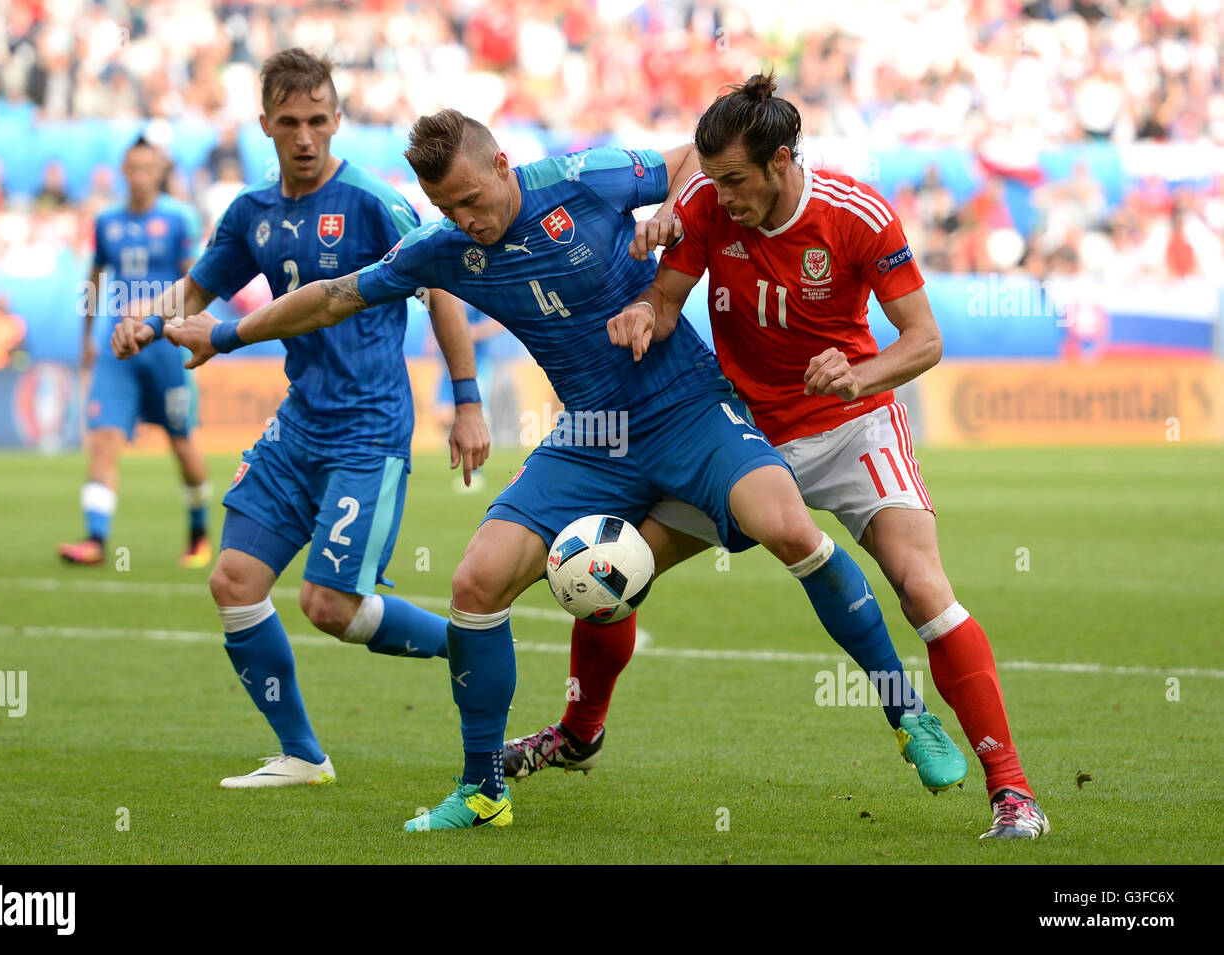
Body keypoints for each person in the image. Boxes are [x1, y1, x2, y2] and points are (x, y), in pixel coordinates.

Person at [166, 107, 961, 830]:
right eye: (450, 210)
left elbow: (691, 155)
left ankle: (905, 711)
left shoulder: (587, 177)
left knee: (789, 526)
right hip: (592, 435)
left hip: (689, 408)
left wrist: (665, 226)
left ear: (505, 164)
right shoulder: (445, 249)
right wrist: (228, 336)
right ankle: (484, 788)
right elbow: (337, 295)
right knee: (476, 582)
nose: (467, 221)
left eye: (474, 199)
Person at [587, 74, 1049, 839]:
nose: (723, 195)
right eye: (713, 179)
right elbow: (666, 303)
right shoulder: (704, 205)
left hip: (851, 426)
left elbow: (925, 340)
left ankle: (1012, 791)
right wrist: (642, 311)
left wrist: (857, 374)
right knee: (614, 567)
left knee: (921, 587)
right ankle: (579, 729)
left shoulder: (855, 213)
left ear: (781, 161)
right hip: (745, 439)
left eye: (736, 179)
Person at [112, 50, 488, 788]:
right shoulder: (252, 213)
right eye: (290, 122)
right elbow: (194, 290)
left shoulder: (376, 202)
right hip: (296, 428)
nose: (306, 136)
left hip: (369, 428)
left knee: (330, 603)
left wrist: (468, 401)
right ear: (265, 126)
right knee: (234, 580)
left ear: (337, 120)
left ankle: (467, 646)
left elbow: (441, 288)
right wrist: (147, 322)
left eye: (319, 120)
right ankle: (302, 755)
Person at [57, 136, 212, 568]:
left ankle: (198, 533)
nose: (140, 176)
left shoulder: (179, 218)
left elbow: (197, 283)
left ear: (160, 171)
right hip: (118, 345)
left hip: (166, 347)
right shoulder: (106, 220)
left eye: (149, 168)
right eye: (133, 168)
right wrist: (86, 336)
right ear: (124, 171)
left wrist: (172, 320)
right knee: (104, 437)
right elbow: (93, 280)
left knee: (182, 444)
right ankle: (95, 539)